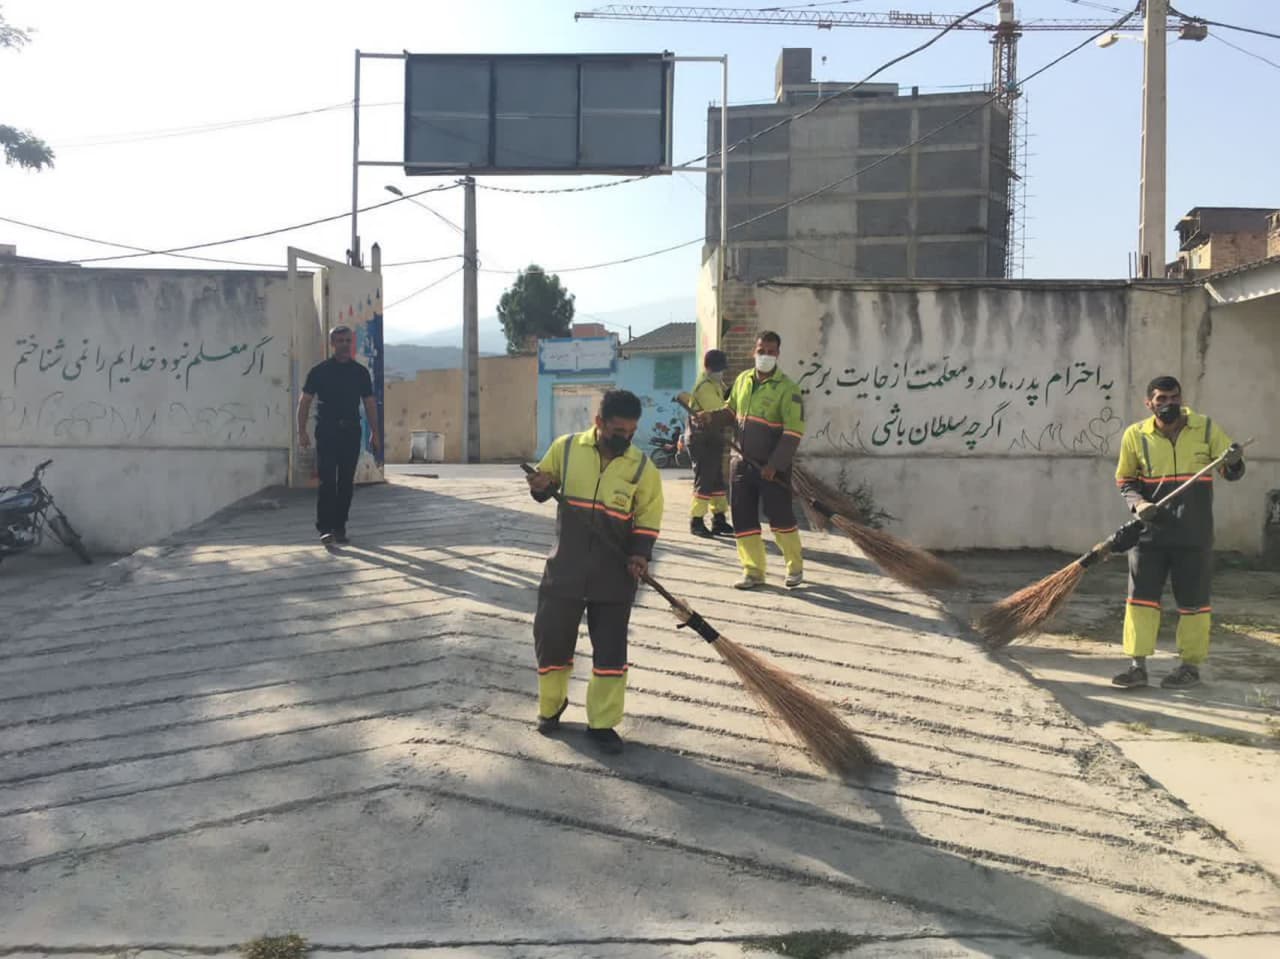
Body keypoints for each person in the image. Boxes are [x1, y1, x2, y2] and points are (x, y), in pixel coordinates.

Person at [525, 389, 664, 755]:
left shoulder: (641, 467)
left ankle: (602, 724)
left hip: (614, 575)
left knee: (611, 653)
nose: (625, 438)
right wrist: (539, 486)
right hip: (564, 570)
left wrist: (640, 554)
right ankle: (550, 709)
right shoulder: (566, 448)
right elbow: (543, 483)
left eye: (632, 432)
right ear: (598, 422)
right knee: (551, 641)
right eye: (618, 430)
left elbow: (649, 515)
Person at [1111, 375, 1245, 690]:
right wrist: (1138, 504)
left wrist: (1234, 461)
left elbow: (1230, 472)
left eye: (1174, 398)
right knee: (1141, 601)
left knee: (1194, 604)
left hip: (1193, 535)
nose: (1169, 404)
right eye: (1161, 399)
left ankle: (1189, 668)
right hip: (1149, 535)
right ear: (1149, 403)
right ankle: (1137, 666)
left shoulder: (1207, 428)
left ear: (1181, 399)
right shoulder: (1135, 435)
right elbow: (1125, 480)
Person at [697, 331, 805, 590]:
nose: (765, 355)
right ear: (753, 352)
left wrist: (775, 465)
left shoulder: (788, 390)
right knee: (744, 520)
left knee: (780, 518)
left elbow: (793, 433)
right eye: (761, 350)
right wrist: (709, 418)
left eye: (770, 351)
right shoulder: (743, 380)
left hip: (771, 467)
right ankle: (753, 571)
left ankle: (795, 567)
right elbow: (730, 412)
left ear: (778, 354)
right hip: (741, 464)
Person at [297, 325, 380, 546]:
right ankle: (325, 528)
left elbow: (369, 403)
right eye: (340, 341)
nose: (344, 344)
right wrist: (301, 431)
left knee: (345, 482)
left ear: (351, 343)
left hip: (351, 431)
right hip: (327, 431)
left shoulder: (360, 372)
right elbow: (304, 401)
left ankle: (340, 527)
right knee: (327, 481)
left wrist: (375, 432)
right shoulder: (319, 371)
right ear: (332, 344)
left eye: (347, 341)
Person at [682, 349, 734, 539]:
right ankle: (696, 521)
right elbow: (716, 412)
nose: (720, 372)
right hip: (701, 438)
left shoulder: (716, 383)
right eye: (717, 369)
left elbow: (725, 401)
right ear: (708, 368)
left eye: (722, 369)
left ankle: (719, 518)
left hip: (712, 437)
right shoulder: (705, 386)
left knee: (716, 480)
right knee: (705, 480)